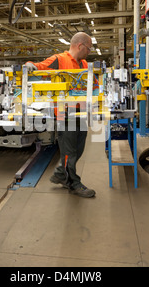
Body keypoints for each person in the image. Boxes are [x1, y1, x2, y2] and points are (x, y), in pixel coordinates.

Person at [24, 32, 96, 198]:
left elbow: (94, 83)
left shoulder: (84, 63)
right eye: (89, 49)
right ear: (80, 46)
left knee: (79, 149)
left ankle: (60, 174)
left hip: (81, 112)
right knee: (69, 152)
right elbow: (38, 66)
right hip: (66, 114)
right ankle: (73, 184)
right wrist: (29, 65)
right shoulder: (59, 60)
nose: (89, 52)